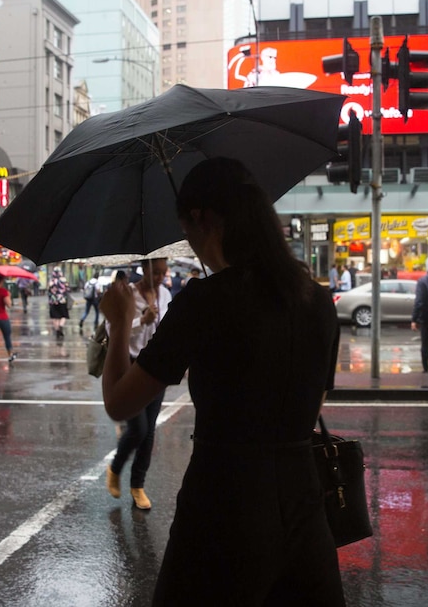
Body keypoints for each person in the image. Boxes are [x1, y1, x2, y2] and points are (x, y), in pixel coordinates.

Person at [99, 157, 345, 605]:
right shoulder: (318, 300)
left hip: (223, 507)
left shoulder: (205, 302)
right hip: (304, 506)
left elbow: (120, 402)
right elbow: (314, 401)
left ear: (202, 218)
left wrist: (119, 324)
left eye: (186, 230)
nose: (189, 244)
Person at [105, 258, 171, 512]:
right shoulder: (128, 294)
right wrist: (141, 321)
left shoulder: (164, 294)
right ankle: (116, 466)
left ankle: (138, 485)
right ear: (144, 269)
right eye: (156, 272)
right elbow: (113, 330)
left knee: (149, 430)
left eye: (164, 272)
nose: (161, 277)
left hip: (156, 366)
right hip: (130, 365)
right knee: (138, 427)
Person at [47, 267, 70, 338]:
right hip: (62, 300)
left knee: (55, 317)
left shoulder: (51, 281)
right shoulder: (64, 280)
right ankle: (61, 326)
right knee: (63, 315)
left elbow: (49, 292)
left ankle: (57, 330)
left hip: (53, 302)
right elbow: (68, 290)